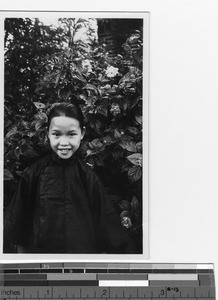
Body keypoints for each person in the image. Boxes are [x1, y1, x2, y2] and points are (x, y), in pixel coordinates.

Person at [5, 102, 131, 254]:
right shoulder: (34, 173)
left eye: (71, 134)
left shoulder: (87, 176)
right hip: (43, 258)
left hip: (80, 257)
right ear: (47, 133)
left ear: (82, 133)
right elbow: (17, 224)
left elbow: (107, 225)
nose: (64, 143)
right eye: (56, 134)